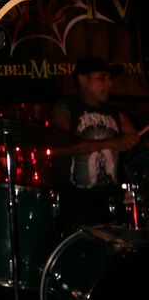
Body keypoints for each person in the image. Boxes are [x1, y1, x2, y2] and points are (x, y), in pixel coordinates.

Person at [50, 56, 141, 235]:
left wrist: (133, 142)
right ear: (83, 80)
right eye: (102, 78)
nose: (110, 84)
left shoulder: (117, 115)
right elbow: (59, 147)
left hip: (111, 202)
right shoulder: (67, 108)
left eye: (109, 79)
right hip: (75, 203)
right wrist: (112, 143)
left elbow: (139, 143)